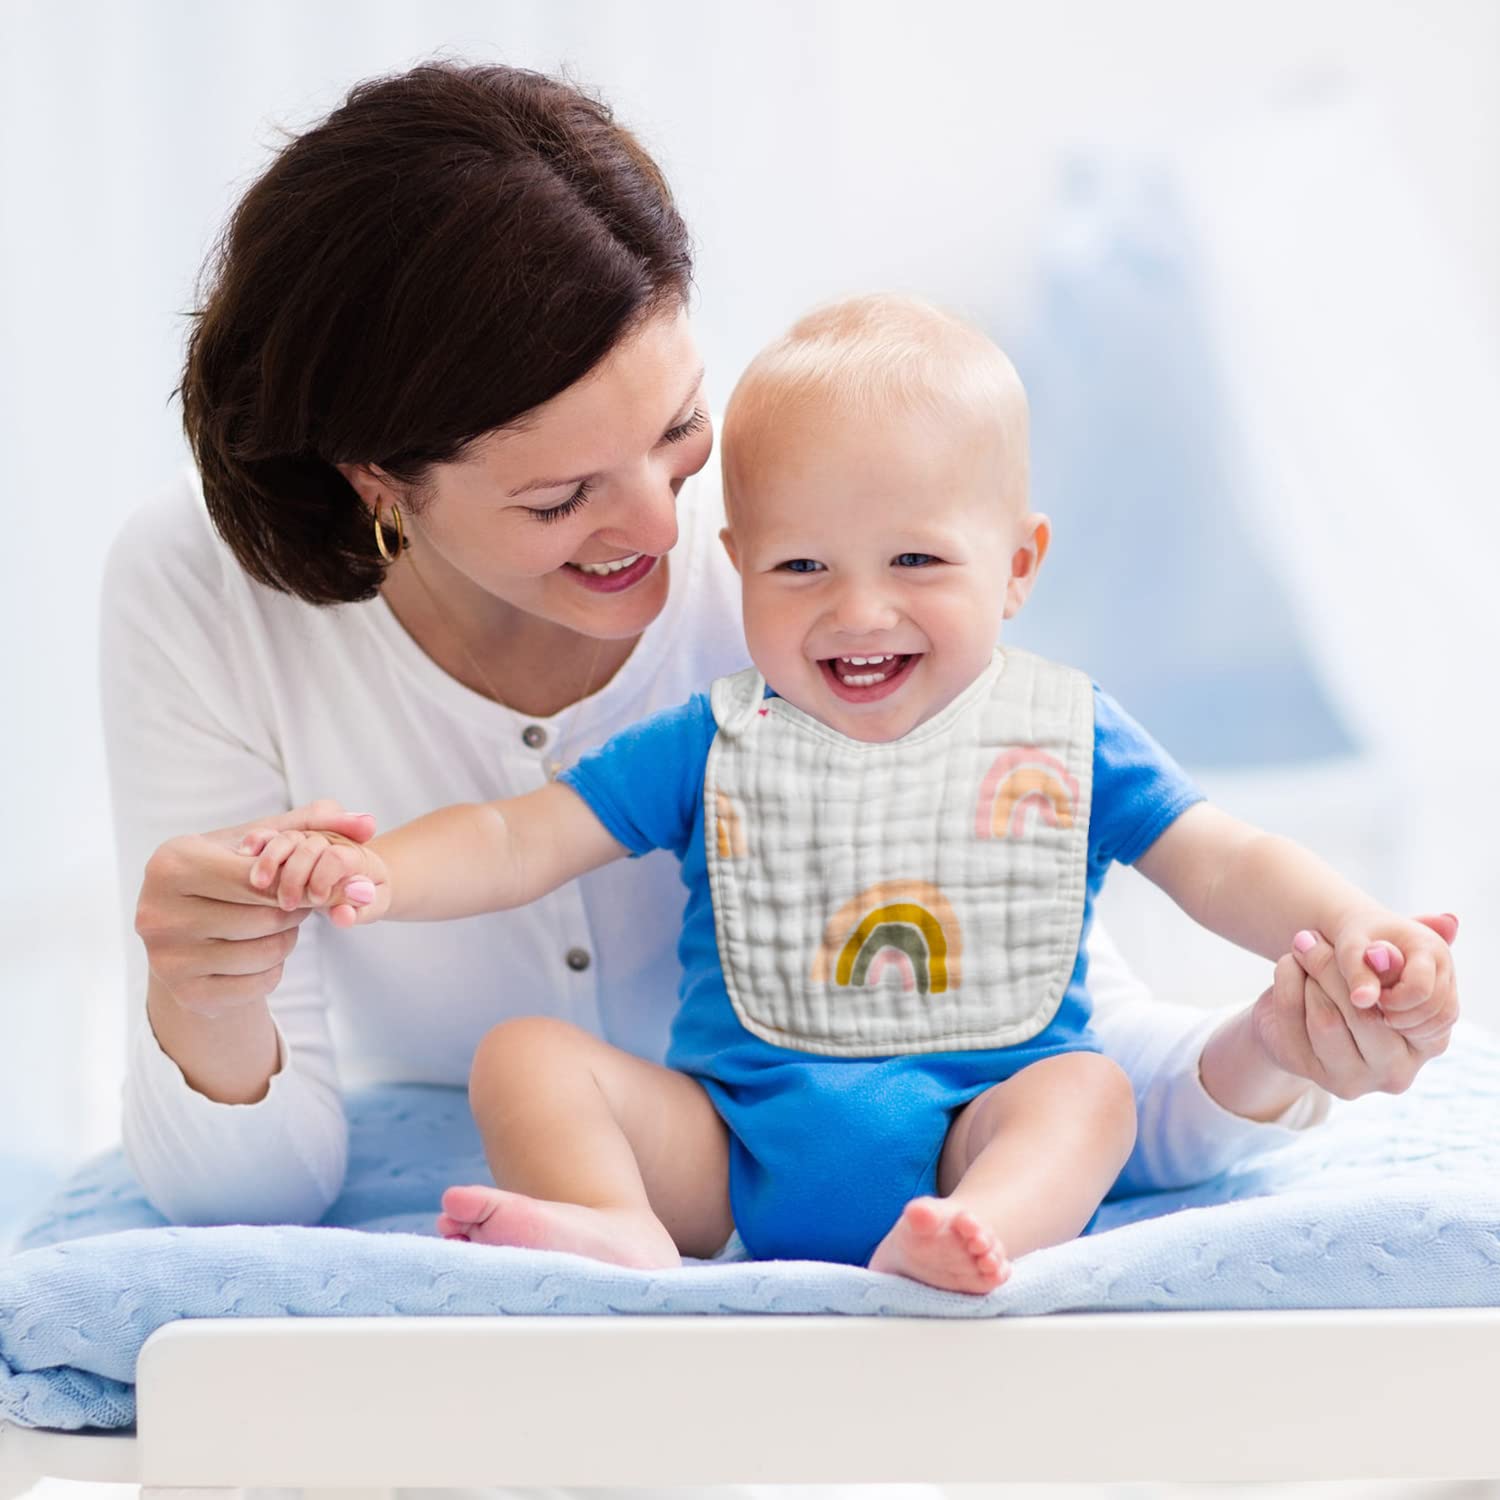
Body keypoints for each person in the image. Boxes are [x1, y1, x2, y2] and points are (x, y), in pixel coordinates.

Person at [110, 61, 1455, 1260]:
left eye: (679, 436)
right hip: (711, 1153)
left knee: (1083, 1092)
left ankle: (971, 1236)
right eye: (560, 497)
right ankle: (617, 1235)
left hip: (960, 1149)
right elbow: (519, 840)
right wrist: (343, 889)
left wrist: (1326, 981)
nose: (666, 531)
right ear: (378, 482)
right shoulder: (727, 699)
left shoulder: (853, 561)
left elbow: (1189, 898)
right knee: (519, 1061)